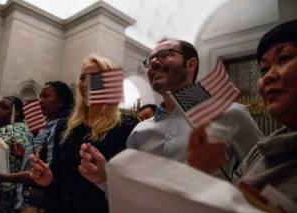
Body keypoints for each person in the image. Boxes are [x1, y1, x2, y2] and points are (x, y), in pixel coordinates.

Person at [78, 38, 263, 186]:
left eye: (165, 54)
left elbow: (267, 176)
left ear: (191, 64)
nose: (154, 63)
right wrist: (104, 179)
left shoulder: (232, 115)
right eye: (149, 61)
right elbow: (134, 193)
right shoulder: (139, 131)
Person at [187, 19, 297, 207]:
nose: (268, 75)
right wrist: (201, 174)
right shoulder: (259, 152)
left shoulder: (234, 114)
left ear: (191, 64)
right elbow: (229, 206)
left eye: (284, 58)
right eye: (263, 69)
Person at [29, 55, 137, 213]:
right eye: (82, 78)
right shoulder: (66, 126)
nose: (86, 84)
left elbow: (129, 192)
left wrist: (105, 177)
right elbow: (59, 181)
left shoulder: (126, 128)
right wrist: (48, 180)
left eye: (95, 78)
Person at [0, 81, 75, 213]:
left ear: (60, 101)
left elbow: (44, 172)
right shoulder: (47, 125)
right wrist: (24, 153)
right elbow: (41, 156)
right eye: (40, 96)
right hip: (29, 199)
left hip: (41, 203)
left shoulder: (61, 126)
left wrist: (2, 177)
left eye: (46, 96)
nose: (40, 101)